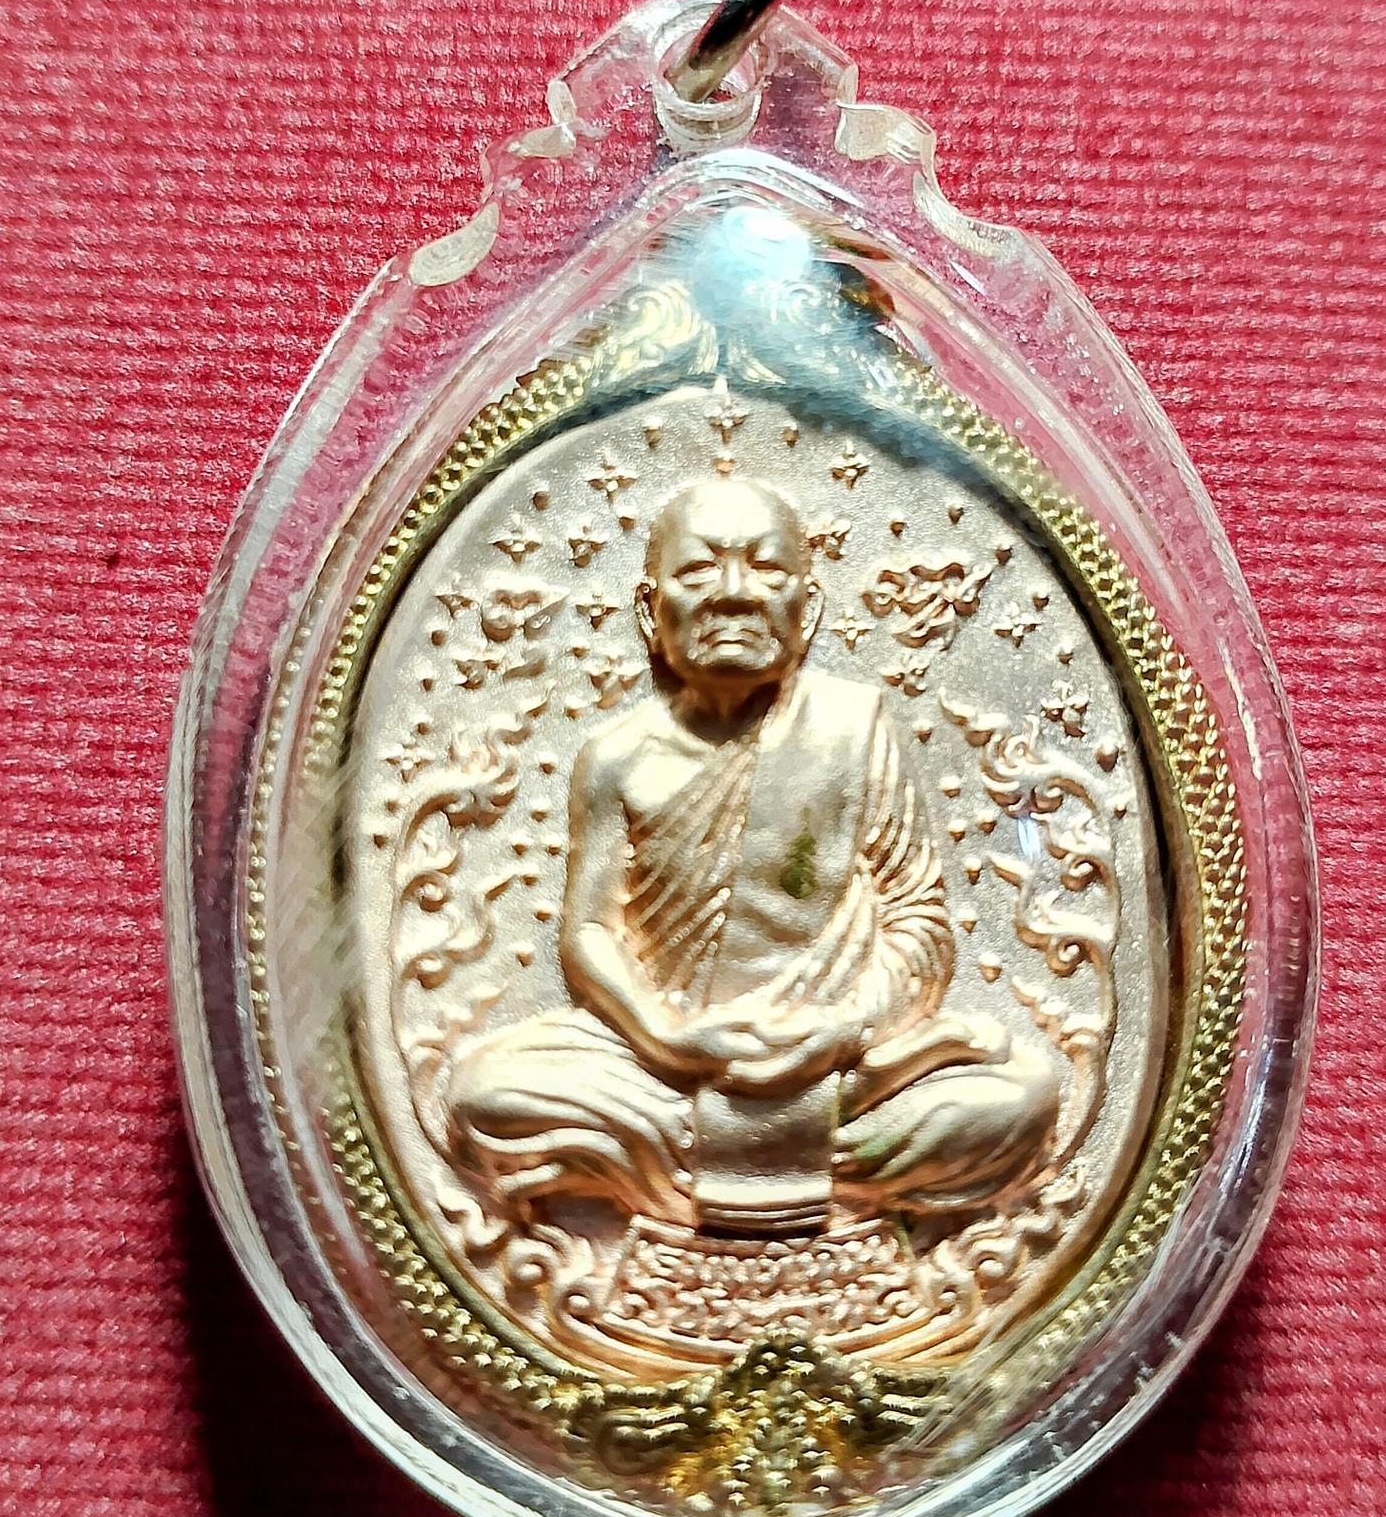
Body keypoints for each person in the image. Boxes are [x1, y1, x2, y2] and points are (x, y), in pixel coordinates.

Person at [445, 476, 1057, 1235]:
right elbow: (591, 933)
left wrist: (845, 1030)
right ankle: (779, 1165)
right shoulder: (616, 756)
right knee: (483, 1095)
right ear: (649, 611)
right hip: (666, 1069)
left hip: (845, 1069)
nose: (734, 594)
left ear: (809, 611)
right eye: (699, 570)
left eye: (766, 570)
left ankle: (723, 1164)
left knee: (1023, 1092)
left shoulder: (853, 726)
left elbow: (918, 918)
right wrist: (667, 1037)